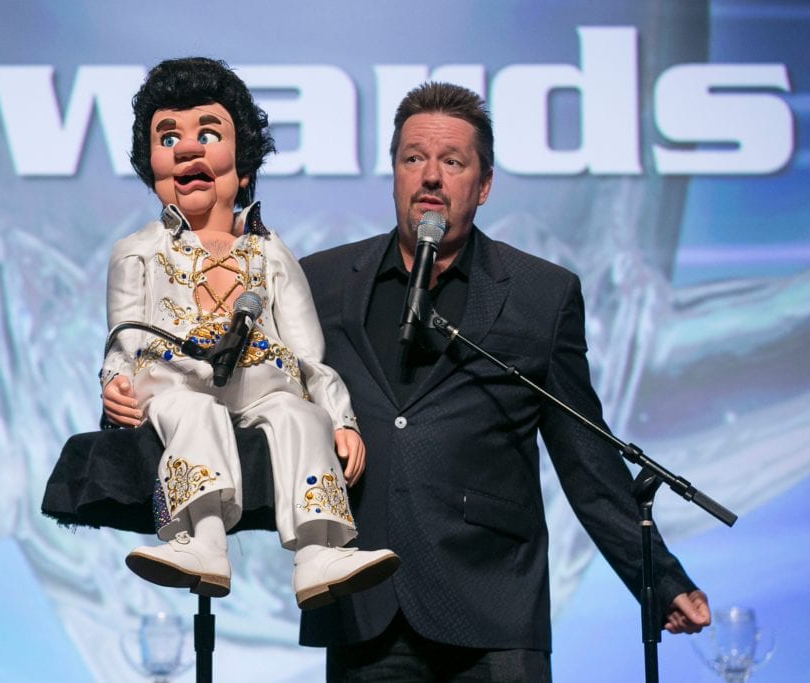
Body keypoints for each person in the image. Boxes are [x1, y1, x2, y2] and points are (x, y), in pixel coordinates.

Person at [297, 82, 711, 681]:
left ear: (484, 184)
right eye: (414, 158)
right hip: (366, 602)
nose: (430, 176)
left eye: (452, 162)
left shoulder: (541, 294)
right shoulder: (324, 281)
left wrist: (658, 579)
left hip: (491, 604)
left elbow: (586, 457)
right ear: (394, 175)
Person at [99, 57, 398, 610]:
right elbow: (123, 335)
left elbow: (309, 355)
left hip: (265, 382)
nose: (187, 149)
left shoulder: (270, 253)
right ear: (152, 167)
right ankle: (202, 541)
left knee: (299, 416)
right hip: (174, 380)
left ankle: (320, 550)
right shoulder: (137, 251)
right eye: (169, 138)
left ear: (242, 168)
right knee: (192, 413)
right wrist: (114, 384)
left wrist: (340, 417)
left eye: (209, 134)